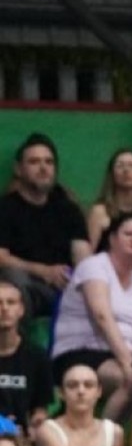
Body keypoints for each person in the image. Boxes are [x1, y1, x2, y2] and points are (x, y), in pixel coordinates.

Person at [50, 213, 132, 421]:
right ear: (112, 239)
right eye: (128, 234)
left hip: (124, 354)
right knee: (124, 378)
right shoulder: (94, 266)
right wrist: (126, 360)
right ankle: (103, 441)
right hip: (80, 351)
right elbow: (101, 316)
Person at [0, 134, 91, 320]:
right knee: (13, 278)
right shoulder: (5, 208)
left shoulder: (68, 209)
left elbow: (83, 256)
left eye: (49, 162)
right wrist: (43, 271)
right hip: (25, 286)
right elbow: (1, 258)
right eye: (34, 162)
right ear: (19, 169)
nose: (43, 168)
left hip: (64, 287)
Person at [34, 365, 123, 446]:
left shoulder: (114, 432)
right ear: (61, 393)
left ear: (99, 392)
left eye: (88, 385)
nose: (81, 391)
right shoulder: (47, 430)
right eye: (72, 385)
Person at [0, 280, 53, 432]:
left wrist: (38, 422)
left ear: (21, 310)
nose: (4, 308)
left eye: (11, 302)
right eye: (0, 302)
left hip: (23, 440)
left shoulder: (37, 356)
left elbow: (41, 408)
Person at [85, 150, 132, 253]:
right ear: (112, 175)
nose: (126, 170)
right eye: (120, 166)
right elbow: (88, 256)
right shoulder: (100, 212)